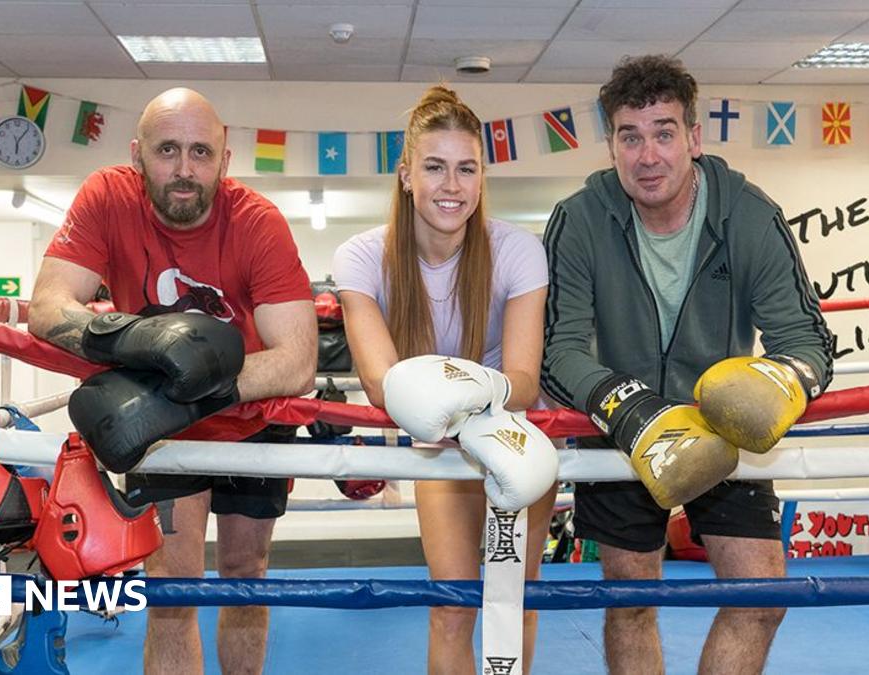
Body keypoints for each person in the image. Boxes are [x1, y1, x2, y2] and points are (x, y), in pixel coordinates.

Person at [540, 55, 833, 674]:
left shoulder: (748, 216)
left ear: (694, 138)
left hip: (722, 427)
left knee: (760, 598)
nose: (648, 156)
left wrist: (774, 381)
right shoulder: (581, 219)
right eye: (631, 136)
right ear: (611, 144)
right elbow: (557, 348)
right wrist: (629, 405)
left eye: (664, 133)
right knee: (630, 602)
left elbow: (806, 339)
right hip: (622, 430)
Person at [28, 87, 317, 675]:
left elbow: (298, 359)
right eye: (167, 151)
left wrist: (195, 387)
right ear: (137, 156)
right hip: (160, 419)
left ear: (225, 160)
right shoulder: (107, 198)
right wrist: (135, 341)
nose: (185, 170)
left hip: (250, 418)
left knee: (245, 578)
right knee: (170, 590)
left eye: (201, 153)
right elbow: (48, 307)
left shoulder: (258, 222)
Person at [333, 85, 556, 674]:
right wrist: (466, 401)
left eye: (466, 169)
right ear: (406, 175)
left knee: (513, 603)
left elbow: (526, 378)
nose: (451, 186)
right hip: (440, 441)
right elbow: (382, 385)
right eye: (434, 167)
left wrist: (471, 396)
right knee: (452, 607)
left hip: (513, 432)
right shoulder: (362, 258)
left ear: (482, 178)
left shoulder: (517, 251)